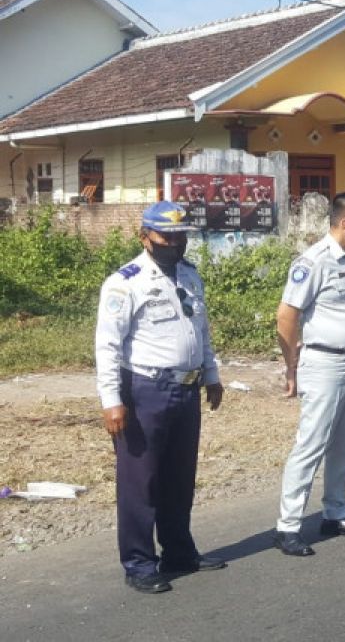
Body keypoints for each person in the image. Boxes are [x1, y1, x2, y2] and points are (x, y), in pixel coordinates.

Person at [95, 202, 225, 594]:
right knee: (141, 481)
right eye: (166, 237)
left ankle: (179, 552)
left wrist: (212, 374)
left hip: (187, 387)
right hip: (145, 390)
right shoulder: (124, 282)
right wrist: (111, 400)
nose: (175, 243)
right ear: (144, 238)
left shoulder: (189, 275)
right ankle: (138, 562)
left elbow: (200, 329)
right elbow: (107, 345)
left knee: (179, 477)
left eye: (181, 236)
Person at [273, 192, 345, 557]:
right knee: (311, 443)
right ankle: (288, 525)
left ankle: (336, 512)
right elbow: (286, 315)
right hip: (324, 363)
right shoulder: (313, 261)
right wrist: (291, 366)